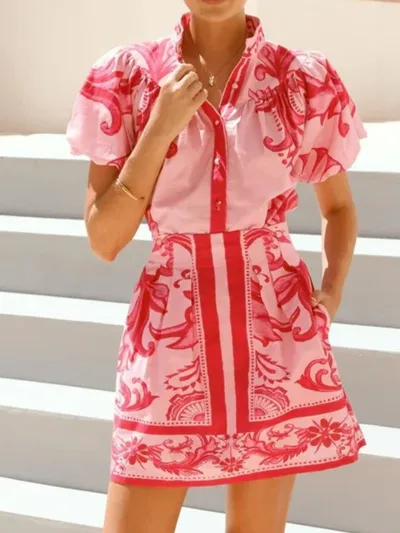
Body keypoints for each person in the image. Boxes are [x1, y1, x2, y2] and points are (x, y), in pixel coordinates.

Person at [66, 0, 367, 531]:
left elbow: (338, 208)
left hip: (276, 338)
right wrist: (159, 128)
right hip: (169, 342)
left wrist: (332, 290)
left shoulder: (300, 80)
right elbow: (104, 239)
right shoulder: (130, 77)